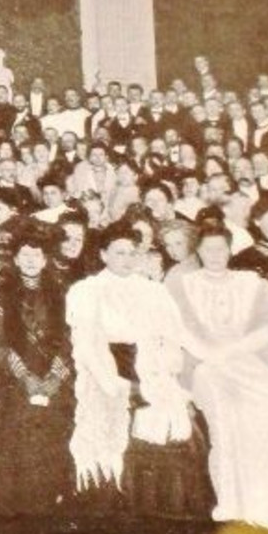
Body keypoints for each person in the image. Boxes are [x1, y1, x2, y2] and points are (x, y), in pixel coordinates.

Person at [168, 226, 268, 531]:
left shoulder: (250, 282)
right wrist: (211, 355)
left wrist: (231, 351)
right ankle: (233, 496)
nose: (215, 255)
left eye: (221, 249)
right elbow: (180, 332)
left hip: (249, 359)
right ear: (198, 252)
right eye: (208, 249)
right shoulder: (183, 286)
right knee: (228, 410)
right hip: (205, 363)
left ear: (230, 251)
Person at [65, 220, 211, 519]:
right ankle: (119, 509)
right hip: (109, 370)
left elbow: (175, 334)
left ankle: (167, 508)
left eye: (132, 253)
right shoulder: (87, 290)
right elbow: (88, 346)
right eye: (119, 253)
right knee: (115, 421)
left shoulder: (152, 290)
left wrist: (174, 368)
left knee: (180, 420)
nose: (127, 260)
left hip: (150, 368)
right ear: (103, 255)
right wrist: (118, 384)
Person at [0, 220, 77, 518]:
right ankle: (11, 501)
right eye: (25, 255)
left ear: (46, 260)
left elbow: (70, 341)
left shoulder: (62, 293)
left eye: (37, 256)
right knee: (17, 414)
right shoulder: (2, 294)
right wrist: (27, 377)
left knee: (54, 416)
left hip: (54, 374)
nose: (31, 261)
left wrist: (56, 376)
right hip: (13, 375)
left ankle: (46, 496)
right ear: (15, 259)